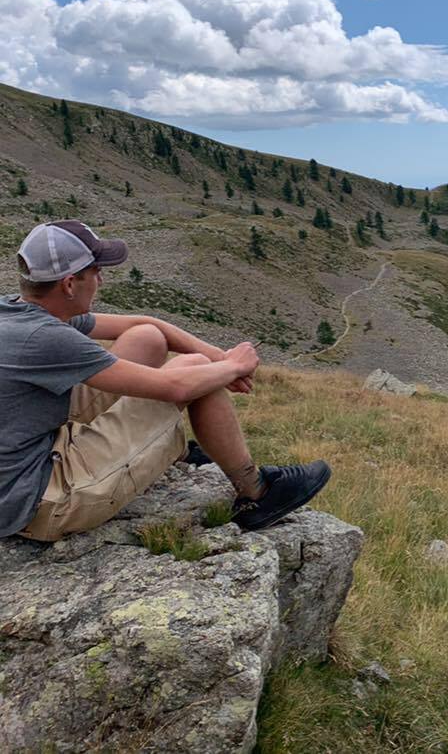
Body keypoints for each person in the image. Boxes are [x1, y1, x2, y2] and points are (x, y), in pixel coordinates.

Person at [0, 219, 330, 542]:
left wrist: (219, 356)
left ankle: (172, 449)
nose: (101, 279)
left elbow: (146, 323)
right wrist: (234, 365)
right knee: (195, 372)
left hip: (21, 466)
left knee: (147, 338)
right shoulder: (47, 337)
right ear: (70, 284)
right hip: (42, 500)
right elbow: (178, 388)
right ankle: (257, 491)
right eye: (96, 271)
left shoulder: (15, 310)